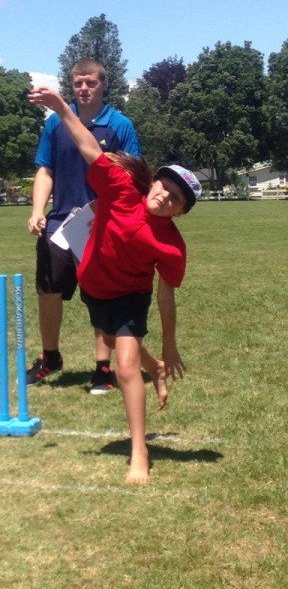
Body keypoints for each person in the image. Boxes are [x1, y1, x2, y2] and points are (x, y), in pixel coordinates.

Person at [28, 86, 201, 484]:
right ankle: (153, 367)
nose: (163, 197)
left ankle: (139, 451)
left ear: (181, 211)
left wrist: (172, 342)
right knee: (113, 337)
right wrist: (59, 107)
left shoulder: (172, 245)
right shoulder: (122, 190)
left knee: (123, 364)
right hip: (94, 286)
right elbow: (90, 148)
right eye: (163, 187)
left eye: (174, 199)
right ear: (152, 181)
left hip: (131, 296)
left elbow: (165, 295)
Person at [26, 58, 142, 394]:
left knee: (99, 296)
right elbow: (45, 170)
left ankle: (103, 368)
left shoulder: (119, 125)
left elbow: (133, 175)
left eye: (90, 82)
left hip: (101, 224)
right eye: (78, 83)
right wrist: (37, 210)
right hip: (60, 222)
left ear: (104, 84)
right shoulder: (55, 124)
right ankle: (50, 357)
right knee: (48, 290)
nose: (84, 88)